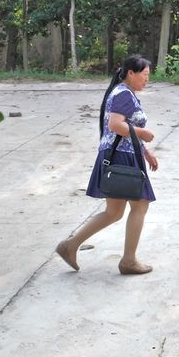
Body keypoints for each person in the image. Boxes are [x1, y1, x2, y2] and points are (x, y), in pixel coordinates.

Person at [56, 54, 160, 275]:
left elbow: (124, 129)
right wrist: (143, 133)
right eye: (144, 75)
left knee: (114, 212)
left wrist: (144, 151)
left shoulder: (123, 93)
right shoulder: (123, 94)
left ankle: (70, 245)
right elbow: (116, 125)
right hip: (121, 156)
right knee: (140, 205)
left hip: (121, 154)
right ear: (130, 73)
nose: (146, 80)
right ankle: (129, 260)